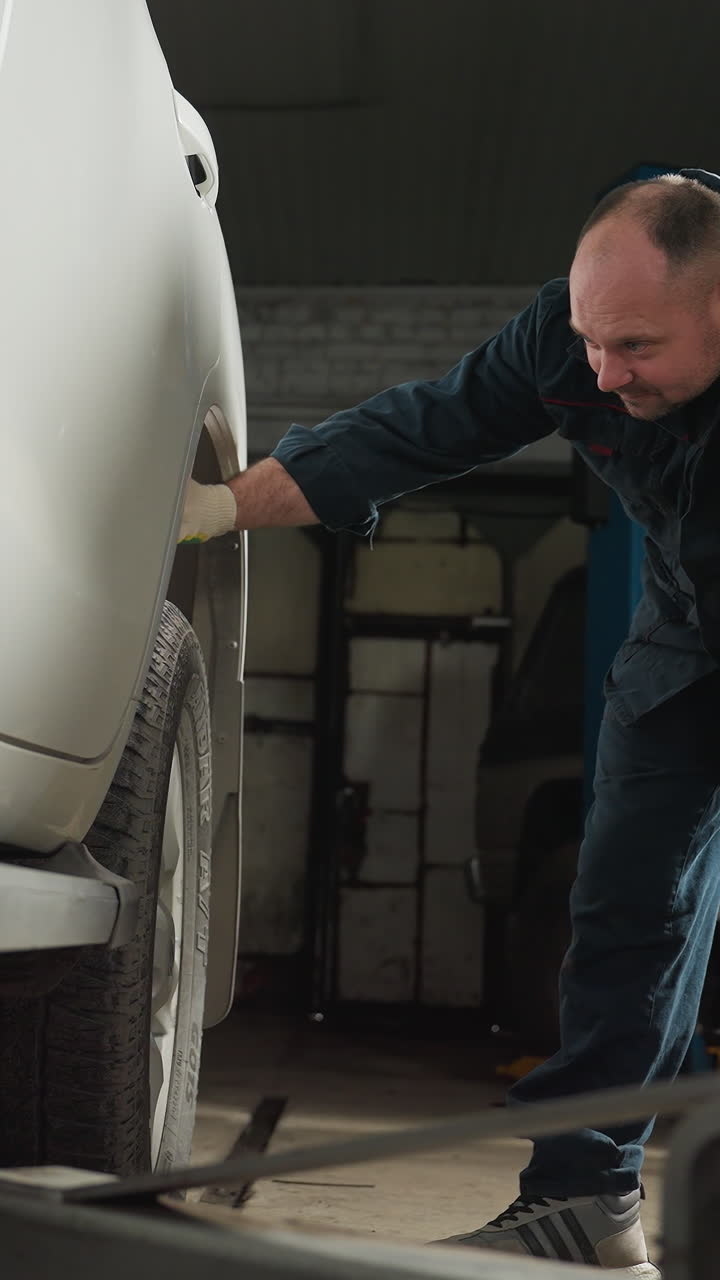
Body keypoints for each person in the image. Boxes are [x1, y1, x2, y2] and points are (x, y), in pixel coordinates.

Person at [180, 169, 720, 1276]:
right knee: (630, 907)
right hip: (687, 637)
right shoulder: (576, 342)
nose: (604, 373)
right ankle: (583, 1205)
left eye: (637, 348)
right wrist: (233, 503)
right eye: (591, 341)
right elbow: (431, 422)